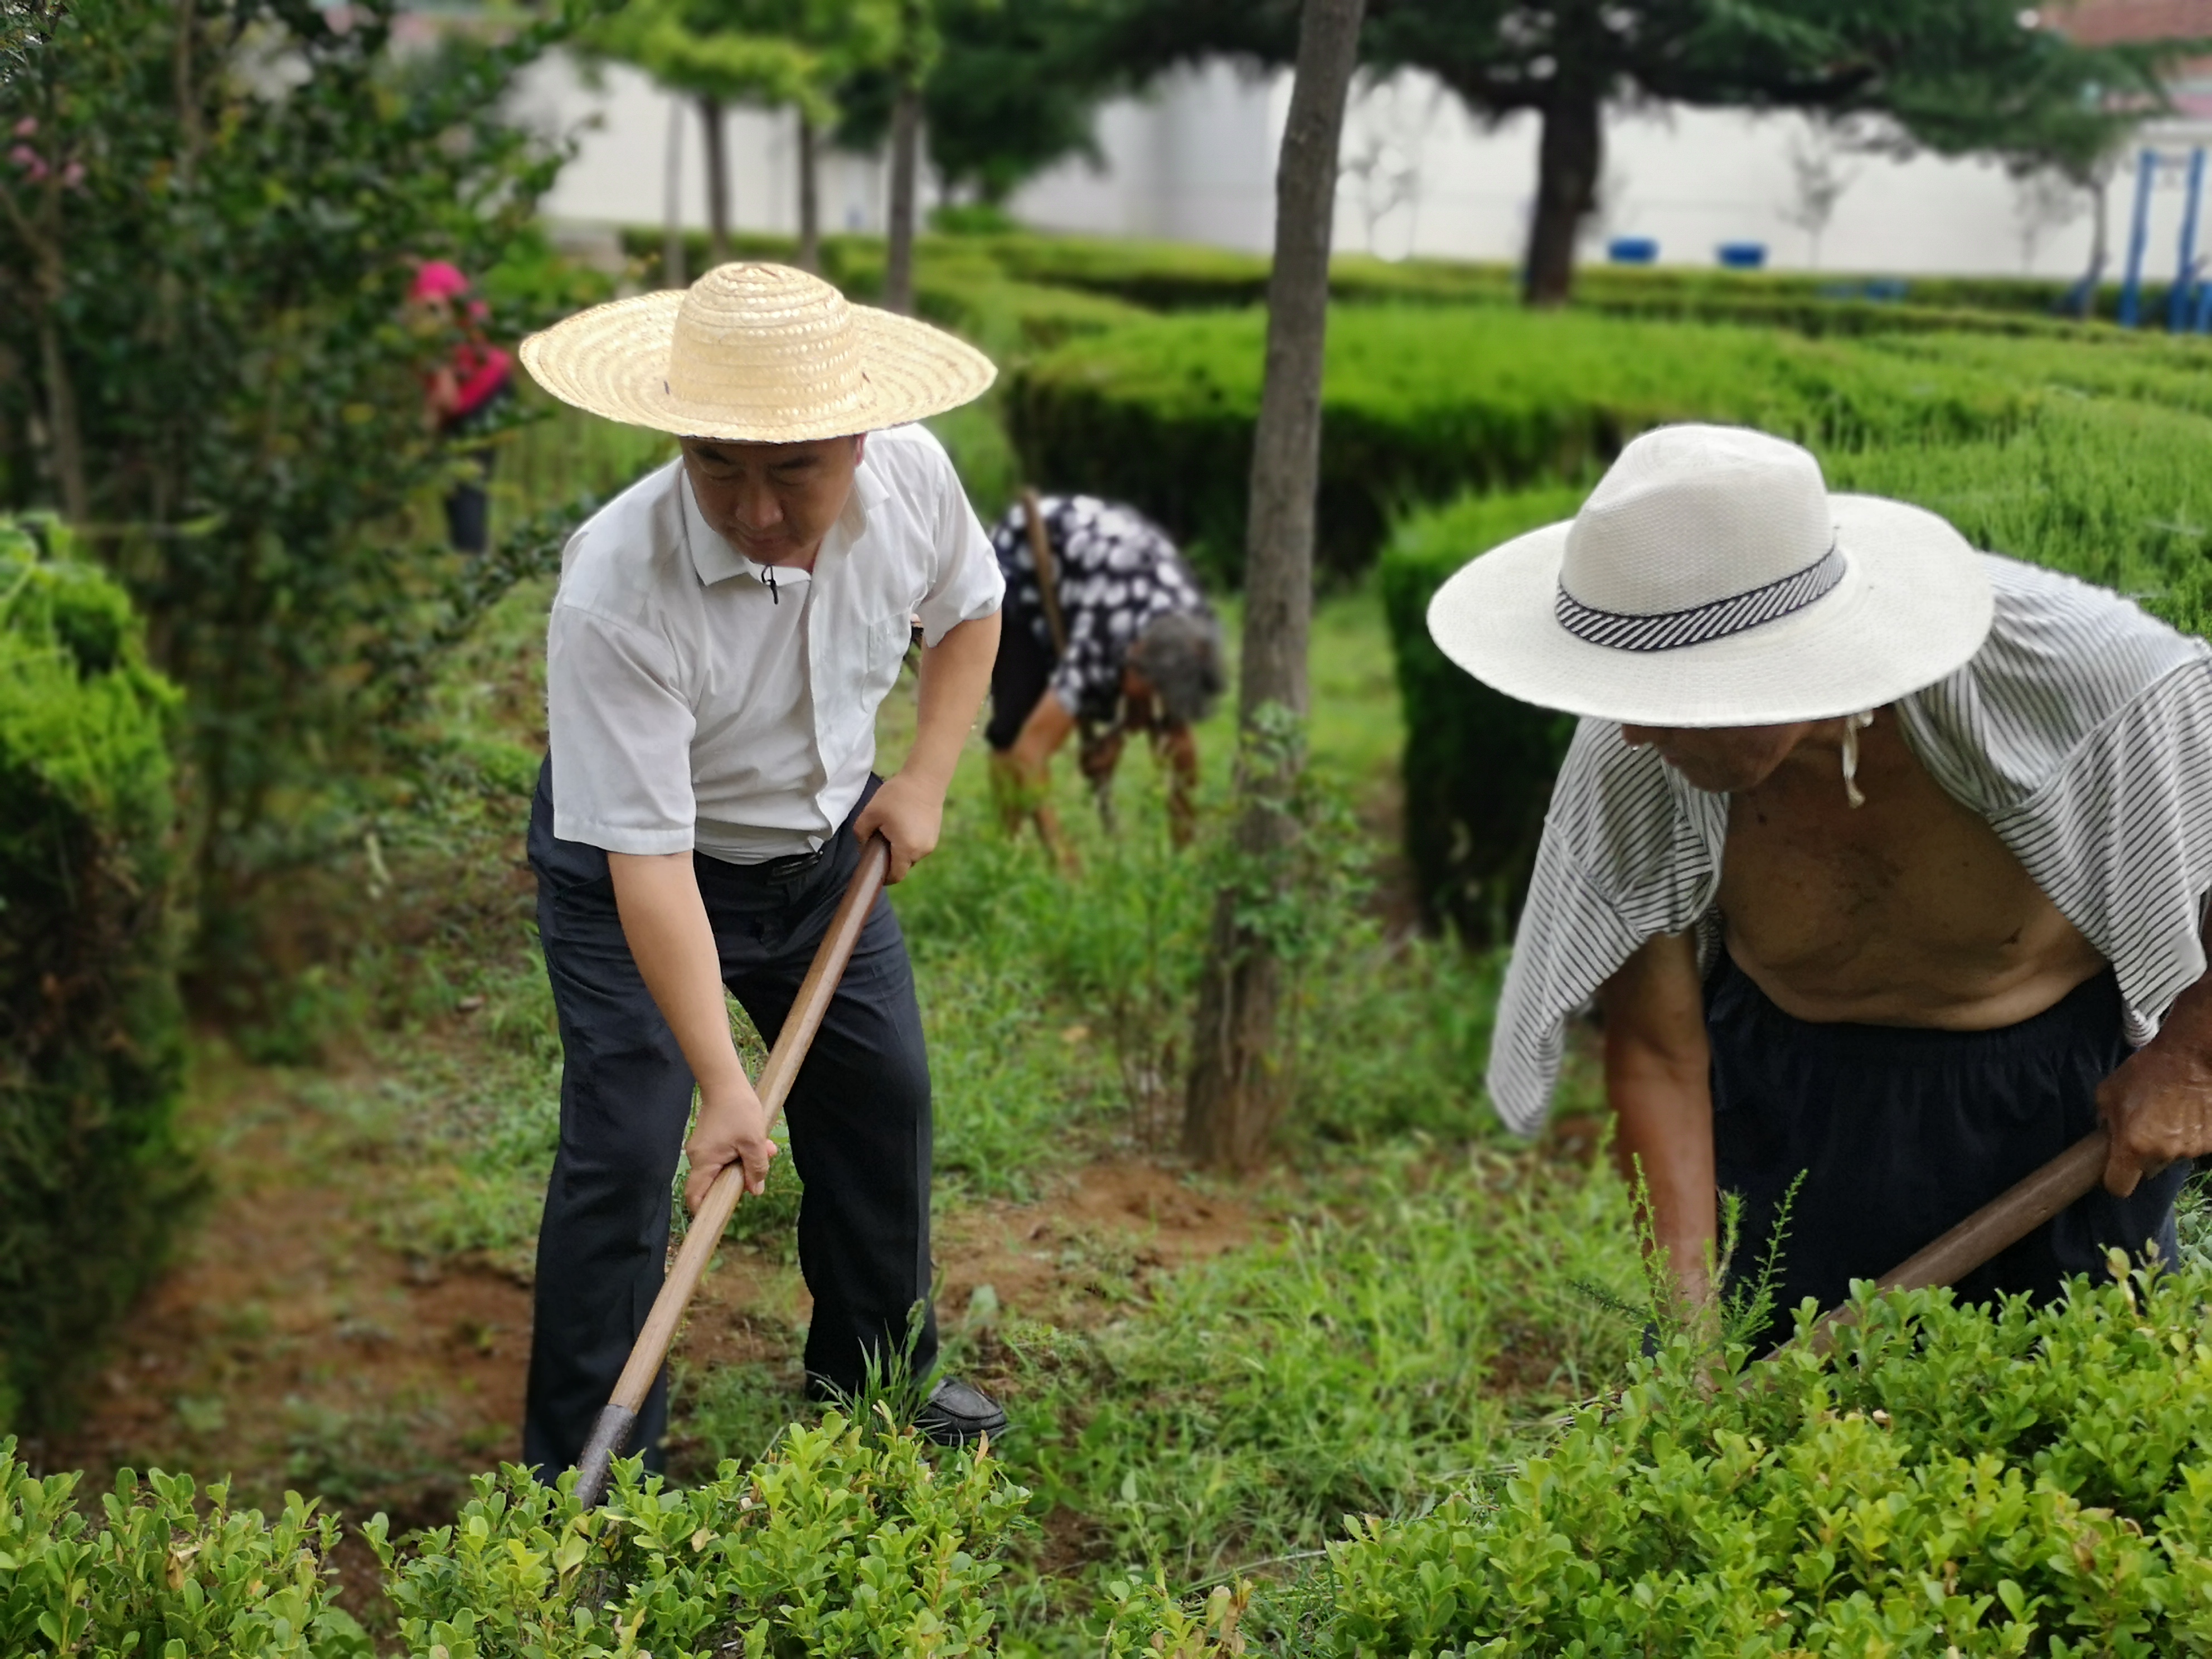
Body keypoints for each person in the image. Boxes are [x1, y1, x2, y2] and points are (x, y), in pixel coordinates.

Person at [1426, 423, 2212, 1344]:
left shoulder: (2084, 678)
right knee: (1773, 1443)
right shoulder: (1635, 742)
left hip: (2052, 1108)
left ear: (1785, 662)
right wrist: (1686, 1329)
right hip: (1790, 1109)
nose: (1632, 737)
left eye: (1669, 705)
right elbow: (1656, 1047)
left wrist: (2189, 1057)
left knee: (2064, 1441)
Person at [511, 261, 1010, 1477]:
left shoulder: (911, 478)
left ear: (858, 431)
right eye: (716, 465)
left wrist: (926, 780)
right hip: (635, 870)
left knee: (880, 1102)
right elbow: (650, 868)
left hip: (820, 853)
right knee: (626, 1149)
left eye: (794, 470)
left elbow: (970, 612)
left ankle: (876, 1373)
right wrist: (724, 1086)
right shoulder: (616, 590)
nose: (758, 510)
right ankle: (587, 1468)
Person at [984, 491, 1223, 857]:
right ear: (1136, 661)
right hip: (1025, 560)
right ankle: (1007, 852)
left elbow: (1167, 722)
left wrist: (1118, 734)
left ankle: (1183, 852)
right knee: (1012, 729)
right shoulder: (1100, 641)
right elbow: (1028, 754)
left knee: (1174, 728)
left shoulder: (1192, 635)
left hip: (1101, 574)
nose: (1153, 718)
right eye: (1151, 699)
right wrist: (1064, 856)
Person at [412, 260, 513, 555]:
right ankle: (469, 559)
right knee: (464, 480)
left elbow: (435, 319)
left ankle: (469, 562)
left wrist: (442, 379)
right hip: (490, 385)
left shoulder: (427, 281)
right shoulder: (440, 272)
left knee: (465, 480)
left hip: (480, 390)